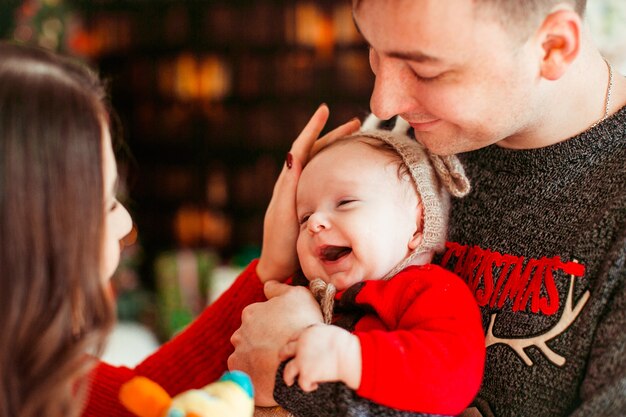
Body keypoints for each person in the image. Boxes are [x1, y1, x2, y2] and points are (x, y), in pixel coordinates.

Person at [229, 1, 626, 417]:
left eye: (425, 70)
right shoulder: (394, 147)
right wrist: (272, 270)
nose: (382, 104)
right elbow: (193, 381)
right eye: (374, 52)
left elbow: (271, 367)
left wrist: (291, 379)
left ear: (553, 46)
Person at [265, 116, 485, 416]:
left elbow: (453, 375)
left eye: (345, 203)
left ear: (418, 225)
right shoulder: (299, 290)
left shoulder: (426, 289)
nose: (315, 223)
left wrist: (350, 357)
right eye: (304, 217)